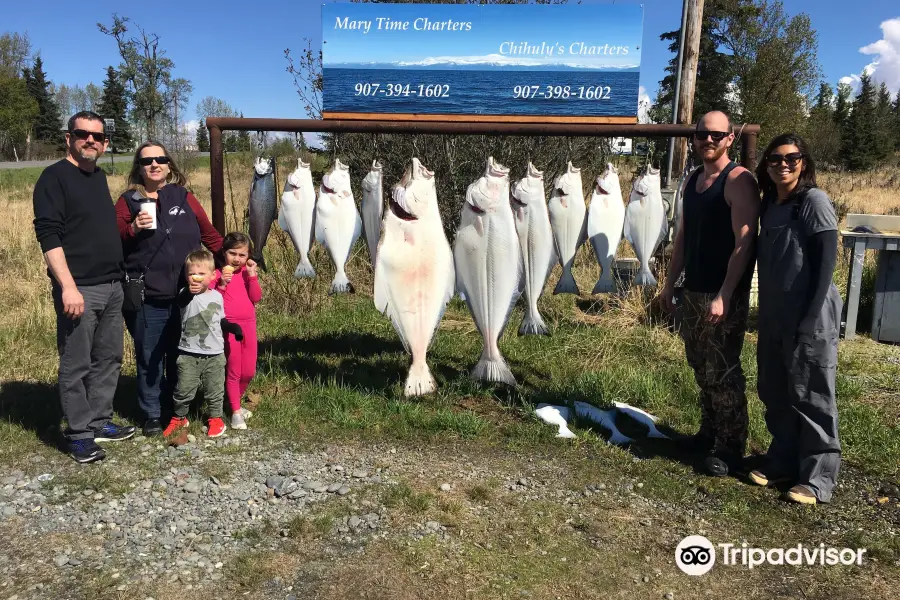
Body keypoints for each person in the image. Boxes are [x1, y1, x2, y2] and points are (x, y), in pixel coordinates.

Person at [32, 111, 136, 463]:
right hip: (80, 290)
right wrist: (67, 287)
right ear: (69, 138)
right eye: (83, 134)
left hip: (111, 284)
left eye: (98, 137)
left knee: (109, 358)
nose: (90, 140)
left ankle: (99, 420)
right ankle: (78, 434)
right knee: (76, 363)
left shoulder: (98, 176)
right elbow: (48, 235)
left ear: (105, 143)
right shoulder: (54, 178)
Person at [662, 110, 760, 478]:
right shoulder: (692, 181)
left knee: (723, 372)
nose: (708, 140)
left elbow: (745, 242)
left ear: (730, 139)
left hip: (723, 295)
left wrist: (724, 294)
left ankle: (731, 447)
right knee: (700, 366)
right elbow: (683, 238)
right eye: (702, 134)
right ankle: (709, 432)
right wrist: (670, 284)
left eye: (716, 135)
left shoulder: (739, 181)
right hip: (693, 291)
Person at [750, 134, 842, 505]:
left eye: (792, 158)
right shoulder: (770, 203)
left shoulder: (813, 201)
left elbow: (826, 259)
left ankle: (818, 477)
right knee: (775, 388)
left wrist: (809, 318)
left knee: (812, 392)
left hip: (810, 314)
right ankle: (783, 459)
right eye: (775, 159)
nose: (783, 165)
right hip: (773, 313)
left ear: (804, 162)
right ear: (766, 165)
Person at [116, 141, 223, 436]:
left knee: (181, 355)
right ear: (138, 167)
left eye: (160, 159)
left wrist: (235, 263)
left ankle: (178, 409)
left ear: (169, 165)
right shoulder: (128, 201)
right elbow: (114, 241)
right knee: (150, 357)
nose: (154, 164)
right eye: (147, 160)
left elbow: (210, 235)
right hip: (147, 295)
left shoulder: (183, 196)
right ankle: (152, 412)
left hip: (187, 297)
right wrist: (133, 229)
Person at [164, 250, 243, 439]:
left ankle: (215, 418)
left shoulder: (216, 296)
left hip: (215, 354)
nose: (196, 278)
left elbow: (220, 319)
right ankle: (179, 418)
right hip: (189, 353)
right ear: (186, 276)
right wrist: (189, 292)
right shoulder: (186, 294)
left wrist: (233, 327)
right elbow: (181, 301)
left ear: (213, 275)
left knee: (214, 389)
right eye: (191, 274)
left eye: (201, 274)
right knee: (183, 389)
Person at [213, 233, 262, 430]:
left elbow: (256, 297)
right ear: (224, 253)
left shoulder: (245, 274)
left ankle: (234, 402)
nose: (237, 259)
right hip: (229, 326)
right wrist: (223, 284)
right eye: (232, 253)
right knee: (234, 370)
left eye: (242, 255)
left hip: (249, 325)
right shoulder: (217, 275)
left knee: (248, 371)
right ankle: (235, 412)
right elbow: (214, 302)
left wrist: (252, 276)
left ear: (248, 256)